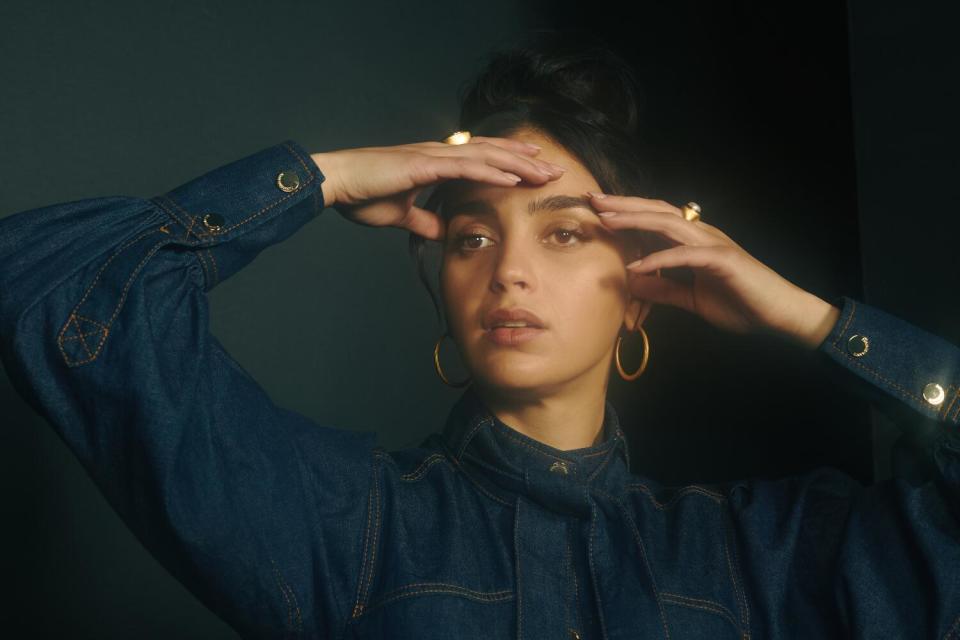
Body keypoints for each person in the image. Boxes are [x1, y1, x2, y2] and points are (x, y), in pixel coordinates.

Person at [0, 28, 958, 640]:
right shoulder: (350, 527)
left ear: (641, 290)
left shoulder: (757, 558)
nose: (509, 270)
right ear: (442, 282)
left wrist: (807, 316)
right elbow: (53, 287)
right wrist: (323, 175)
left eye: (567, 233)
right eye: (471, 236)